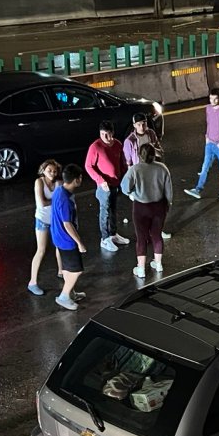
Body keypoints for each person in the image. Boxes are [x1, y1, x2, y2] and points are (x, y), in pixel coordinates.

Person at [120, 142, 173, 279]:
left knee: (141, 238)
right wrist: (168, 203)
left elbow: (125, 187)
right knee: (156, 235)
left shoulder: (135, 169)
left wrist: (132, 192)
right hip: (159, 206)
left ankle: (141, 268)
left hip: (141, 207)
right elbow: (169, 191)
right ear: (154, 155)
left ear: (139, 155)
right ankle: (158, 264)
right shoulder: (162, 168)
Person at [85, 121, 130, 252]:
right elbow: (89, 166)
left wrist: (124, 176)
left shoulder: (117, 144)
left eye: (109, 135)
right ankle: (105, 238)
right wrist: (100, 180)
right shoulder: (95, 147)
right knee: (104, 211)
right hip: (104, 187)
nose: (107, 138)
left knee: (113, 210)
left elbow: (122, 163)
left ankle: (113, 234)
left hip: (115, 184)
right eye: (104, 135)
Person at [50, 164, 89, 311]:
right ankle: (64, 296)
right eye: (80, 178)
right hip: (66, 239)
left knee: (67, 267)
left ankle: (71, 292)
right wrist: (79, 242)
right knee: (76, 270)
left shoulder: (59, 190)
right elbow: (67, 224)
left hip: (58, 237)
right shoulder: (65, 199)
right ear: (76, 180)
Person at [185, 88, 219, 199]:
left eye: (215, 99)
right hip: (209, 144)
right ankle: (198, 189)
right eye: (211, 98)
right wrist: (207, 137)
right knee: (204, 167)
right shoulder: (208, 109)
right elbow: (209, 123)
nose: (212, 101)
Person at [27, 159, 63, 296]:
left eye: (54, 171)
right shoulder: (39, 182)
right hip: (42, 220)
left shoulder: (58, 183)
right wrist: (56, 202)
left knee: (59, 246)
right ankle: (33, 282)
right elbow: (42, 203)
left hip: (55, 219)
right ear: (43, 170)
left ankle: (61, 271)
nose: (52, 173)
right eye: (49, 171)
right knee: (41, 250)